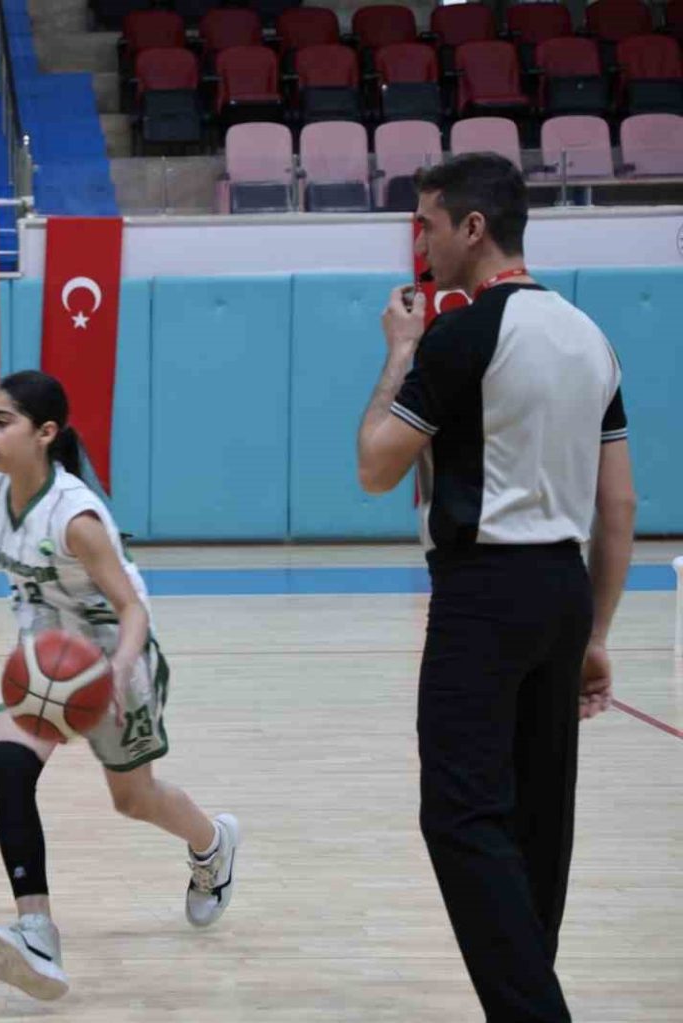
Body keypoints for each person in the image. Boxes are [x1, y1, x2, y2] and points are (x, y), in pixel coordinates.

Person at [357, 153, 636, 1022]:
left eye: (429, 223)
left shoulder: (462, 336)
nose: (421, 242)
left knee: (460, 813)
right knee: (539, 817)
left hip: (483, 590)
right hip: (563, 589)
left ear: (473, 228)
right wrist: (596, 633)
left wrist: (401, 351)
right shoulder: (590, 337)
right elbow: (618, 506)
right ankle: (527, 997)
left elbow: (375, 465)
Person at [0, 370, 240, 1001]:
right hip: (49, 658)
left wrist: (115, 673)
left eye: (2, 422)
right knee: (7, 768)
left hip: (117, 659)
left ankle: (212, 845)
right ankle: (37, 932)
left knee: (133, 800)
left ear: (45, 433)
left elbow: (132, 609)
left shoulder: (76, 517)